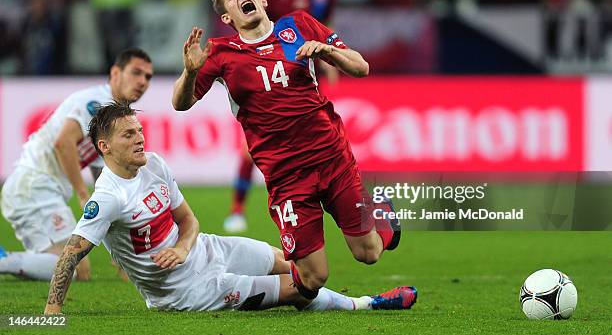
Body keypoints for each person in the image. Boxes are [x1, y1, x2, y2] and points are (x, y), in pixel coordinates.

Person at [43, 102, 417, 313]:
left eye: (139, 130)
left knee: (301, 268)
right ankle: (367, 305)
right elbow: (70, 256)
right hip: (186, 290)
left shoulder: (154, 164)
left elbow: (188, 220)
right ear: (105, 147)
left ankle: (376, 229)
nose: (140, 138)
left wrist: (184, 247)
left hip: (206, 249)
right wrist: (52, 312)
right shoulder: (107, 197)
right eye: (129, 135)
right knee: (298, 288)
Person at [172, 0, 406, 304]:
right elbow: (181, 104)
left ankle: (380, 210)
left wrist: (327, 52)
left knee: (368, 253)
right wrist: (190, 72)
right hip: (286, 176)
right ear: (227, 16)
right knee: (313, 278)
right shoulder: (220, 53)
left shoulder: (298, 25)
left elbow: (360, 66)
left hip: (331, 157)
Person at [0, 48, 153, 281]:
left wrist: (119, 249)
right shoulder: (94, 103)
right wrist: (83, 195)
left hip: (37, 189)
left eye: (148, 77)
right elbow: (63, 143)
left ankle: (13, 262)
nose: (142, 82)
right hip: (34, 187)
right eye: (136, 73)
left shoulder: (111, 115)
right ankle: (4, 261)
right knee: (72, 269)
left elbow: (104, 172)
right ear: (115, 73)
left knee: (74, 269)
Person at [224, 0, 338, 233]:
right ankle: (237, 208)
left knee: (318, 141)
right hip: (265, 75)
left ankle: (317, 203)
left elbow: (326, 27)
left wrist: (331, 59)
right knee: (251, 148)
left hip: (305, 76)